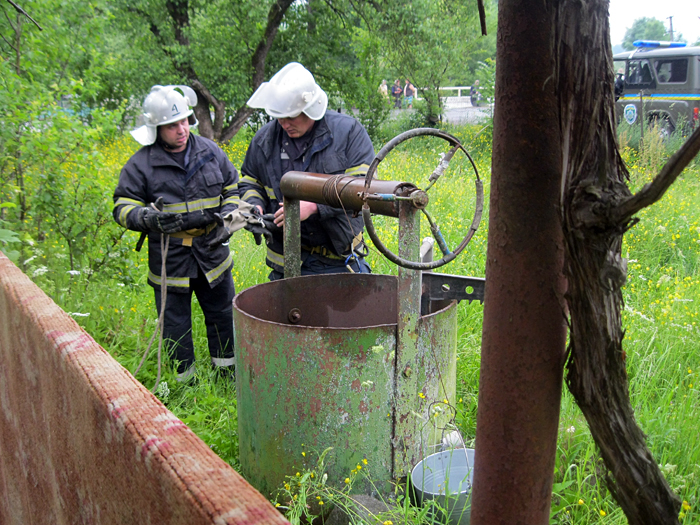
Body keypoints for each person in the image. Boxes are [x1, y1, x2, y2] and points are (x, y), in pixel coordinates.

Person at [113, 85, 239, 383]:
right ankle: (186, 384)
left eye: (184, 120)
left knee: (223, 317)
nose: (181, 129)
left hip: (213, 256)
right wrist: (147, 218)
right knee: (175, 325)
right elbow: (121, 206)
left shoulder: (211, 152)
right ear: (156, 128)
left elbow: (233, 188)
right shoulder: (141, 164)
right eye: (172, 125)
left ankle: (228, 378)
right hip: (170, 260)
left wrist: (228, 222)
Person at [239, 62, 375, 281]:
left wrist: (314, 206)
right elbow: (249, 181)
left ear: (310, 108)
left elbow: (362, 187)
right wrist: (254, 207)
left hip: (339, 261)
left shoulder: (348, 133)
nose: (284, 123)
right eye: (279, 116)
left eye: (291, 116)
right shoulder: (264, 140)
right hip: (285, 263)